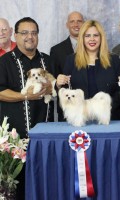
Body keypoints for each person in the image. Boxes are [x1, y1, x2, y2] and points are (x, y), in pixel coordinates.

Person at [0, 17, 54, 200]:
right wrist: (25, 96)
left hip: (46, 138)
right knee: (17, 187)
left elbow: (60, 89)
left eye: (33, 33)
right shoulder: (5, 61)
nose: (29, 37)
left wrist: (52, 88)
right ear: (16, 35)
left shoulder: (48, 60)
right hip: (15, 141)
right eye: (24, 33)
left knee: (46, 182)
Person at [56, 20, 120, 120]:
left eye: (96, 35)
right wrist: (58, 84)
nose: (92, 39)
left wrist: (106, 107)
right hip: (79, 119)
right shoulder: (71, 60)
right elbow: (66, 92)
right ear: (82, 38)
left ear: (101, 38)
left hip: (107, 118)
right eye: (87, 36)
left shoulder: (114, 60)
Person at [50, 11, 84, 121]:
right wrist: (58, 83)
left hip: (88, 106)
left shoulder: (95, 48)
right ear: (67, 25)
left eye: (79, 21)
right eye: (72, 21)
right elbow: (53, 81)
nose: (76, 24)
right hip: (67, 109)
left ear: (84, 24)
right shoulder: (56, 50)